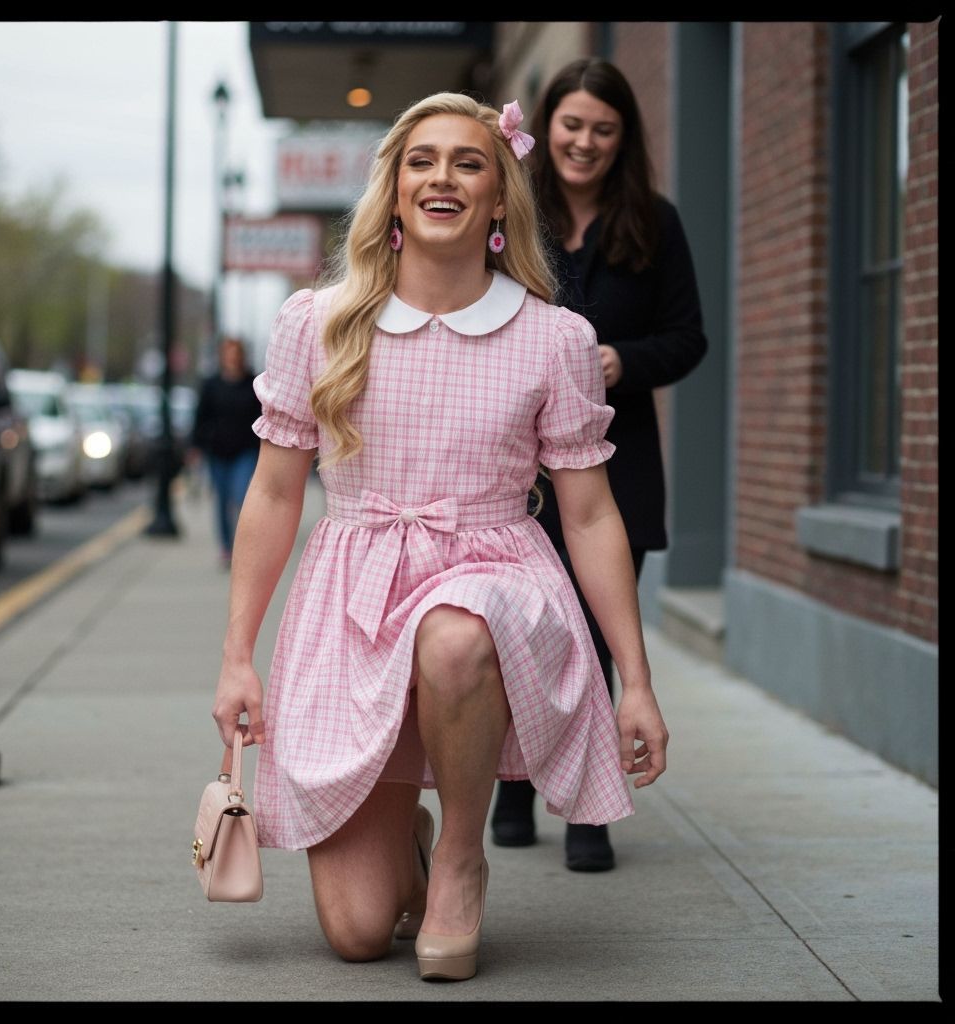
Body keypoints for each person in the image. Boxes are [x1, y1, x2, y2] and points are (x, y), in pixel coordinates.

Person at [211, 91, 669, 982]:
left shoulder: (554, 338)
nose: (443, 177)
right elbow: (271, 496)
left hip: (496, 575)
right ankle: (412, 845)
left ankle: (462, 855)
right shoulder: (320, 323)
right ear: (393, 189)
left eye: (469, 161)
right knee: (355, 932)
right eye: (422, 160)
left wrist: (638, 681)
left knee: (455, 630)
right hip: (357, 602)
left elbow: (589, 513)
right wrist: (237, 656)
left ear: (501, 199)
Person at [490, 59, 707, 872]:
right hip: (519, 465)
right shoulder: (511, 210)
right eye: (572, 125)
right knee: (519, 631)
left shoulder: (654, 221)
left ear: (624, 139)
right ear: (549, 127)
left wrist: (620, 358)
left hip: (621, 463)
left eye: (603, 129)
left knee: (593, 636)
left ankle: (588, 807)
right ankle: (512, 789)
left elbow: (690, 338)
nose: (584, 142)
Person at [190, 337, 263, 567]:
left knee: (241, 496)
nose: (232, 357)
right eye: (228, 353)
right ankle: (225, 547)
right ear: (222, 356)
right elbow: (200, 417)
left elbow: (262, 417)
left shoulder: (253, 383)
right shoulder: (211, 385)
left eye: (236, 353)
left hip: (245, 451)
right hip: (218, 452)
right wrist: (196, 447)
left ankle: (244, 547)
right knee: (221, 500)